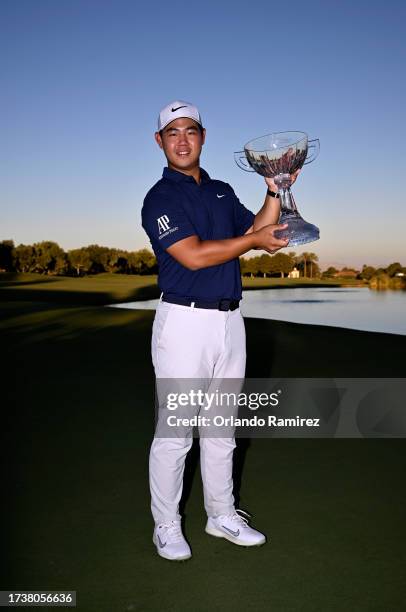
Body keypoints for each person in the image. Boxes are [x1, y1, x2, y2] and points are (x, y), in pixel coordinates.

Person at [141, 100, 298, 561]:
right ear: (161, 142)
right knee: (175, 434)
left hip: (230, 321)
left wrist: (275, 189)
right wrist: (253, 240)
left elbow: (258, 232)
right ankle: (166, 526)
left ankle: (220, 514)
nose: (183, 140)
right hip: (184, 323)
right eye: (173, 133)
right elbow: (192, 255)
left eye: (191, 130)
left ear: (204, 136)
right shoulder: (160, 198)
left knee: (220, 430)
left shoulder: (222, 191)